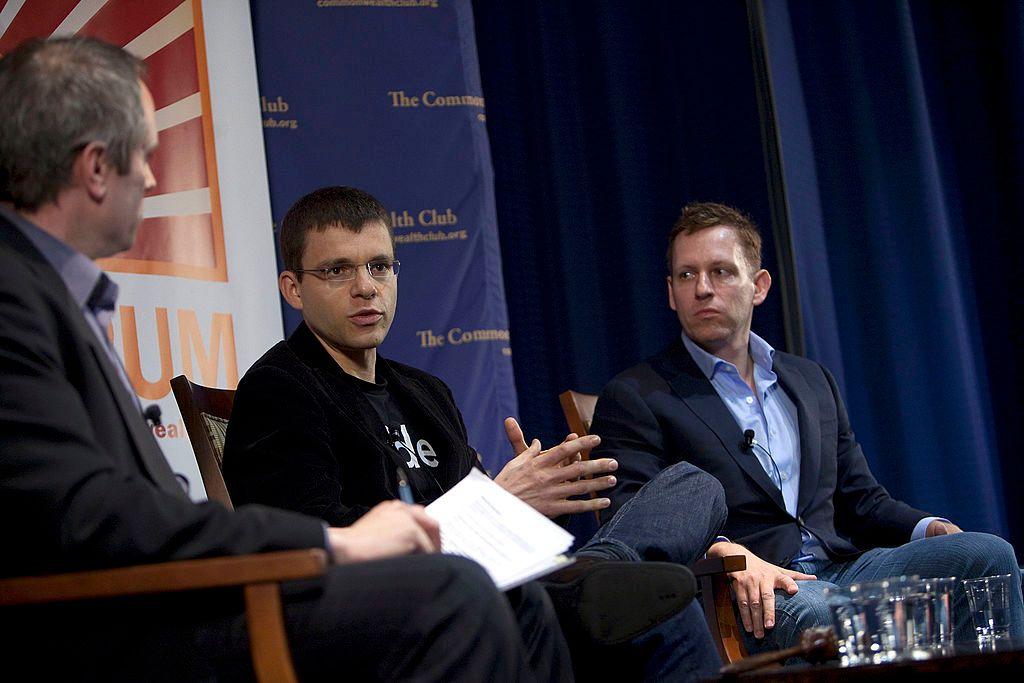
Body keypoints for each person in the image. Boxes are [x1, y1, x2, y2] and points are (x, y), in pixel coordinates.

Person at [0, 36, 554, 681]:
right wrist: (333, 541)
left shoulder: (49, 295)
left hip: (163, 605)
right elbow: (85, 514)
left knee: (529, 594)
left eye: (379, 266)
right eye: (145, 156)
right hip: (112, 633)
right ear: (96, 167)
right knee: (453, 594)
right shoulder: (14, 297)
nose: (153, 178)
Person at [221, 186, 727, 680]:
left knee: (694, 489)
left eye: (379, 266)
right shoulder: (279, 389)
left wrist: (509, 509)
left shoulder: (425, 392)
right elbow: (310, 537)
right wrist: (497, 503)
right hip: (401, 607)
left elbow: (480, 511)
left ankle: (599, 569)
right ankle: (594, 580)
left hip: (499, 580)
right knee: (656, 602)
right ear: (293, 288)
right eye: (337, 270)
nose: (366, 287)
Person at [589, 200, 1024, 653]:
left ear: (758, 286)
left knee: (989, 556)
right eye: (686, 275)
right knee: (819, 614)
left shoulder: (810, 380)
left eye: (721, 272)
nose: (702, 289)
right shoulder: (639, 393)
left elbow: (862, 500)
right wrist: (725, 553)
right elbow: (631, 517)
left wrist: (928, 527)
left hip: (844, 568)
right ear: (670, 293)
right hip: (756, 588)